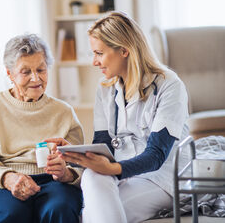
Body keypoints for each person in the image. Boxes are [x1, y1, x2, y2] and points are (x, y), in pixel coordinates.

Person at [47, 12, 190, 223]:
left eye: (99, 53)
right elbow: (103, 145)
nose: (94, 62)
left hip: (161, 178)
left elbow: (156, 155)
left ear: (124, 50)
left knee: (91, 215)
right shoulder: (105, 88)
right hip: (124, 174)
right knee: (92, 175)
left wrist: (112, 169)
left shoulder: (169, 85)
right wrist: (76, 154)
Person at [0, 34, 84, 223]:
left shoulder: (63, 111)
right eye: (25, 72)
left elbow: (80, 165)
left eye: (41, 69)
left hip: (52, 181)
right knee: (11, 215)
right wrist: (9, 178)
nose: (36, 78)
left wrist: (66, 173)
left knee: (59, 210)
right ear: (9, 73)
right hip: (5, 181)